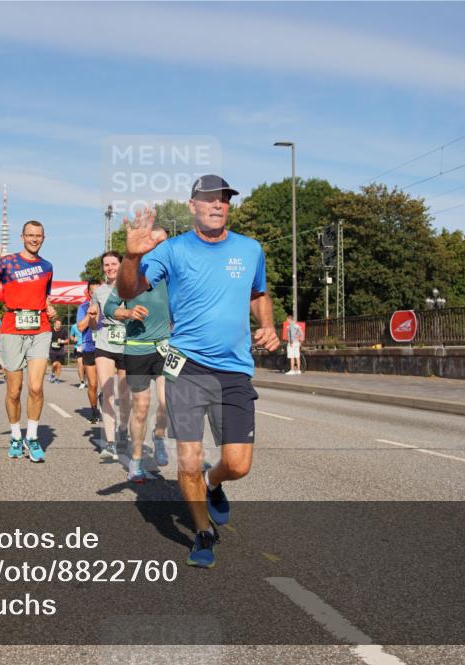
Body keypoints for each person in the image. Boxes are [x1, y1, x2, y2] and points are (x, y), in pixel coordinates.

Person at [118, 174, 280, 569]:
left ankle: (212, 483)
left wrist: (269, 324)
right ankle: (203, 532)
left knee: (239, 464)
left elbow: (259, 293)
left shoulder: (250, 249)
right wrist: (132, 257)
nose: (217, 205)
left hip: (235, 371)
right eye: (208, 199)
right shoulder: (172, 250)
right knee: (188, 461)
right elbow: (128, 291)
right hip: (187, 368)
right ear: (192, 206)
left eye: (223, 199)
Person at [0, 220, 57, 463]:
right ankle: (15, 436)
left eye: (39, 236)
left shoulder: (47, 266)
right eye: (30, 235)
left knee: (36, 388)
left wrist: (50, 309)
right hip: (12, 328)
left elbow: (44, 298)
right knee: (14, 391)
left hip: (40, 329)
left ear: (44, 238)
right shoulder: (7, 262)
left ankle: (31, 437)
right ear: (22, 237)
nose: (34, 239)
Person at [104, 225, 172, 483]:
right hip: (137, 348)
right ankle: (135, 461)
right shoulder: (129, 274)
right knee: (141, 407)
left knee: (168, 401)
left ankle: (159, 437)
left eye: (164, 242)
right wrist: (128, 312)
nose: (159, 246)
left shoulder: (170, 275)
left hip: (165, 347)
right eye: (155, 241)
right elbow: (110, 307)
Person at [92, 252, 131, 458]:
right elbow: (94, 322)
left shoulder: (131, 287)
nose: (109, 268)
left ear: (121, 265)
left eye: (113, 264)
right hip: (105, 341)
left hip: (127, 343)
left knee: (125, 394)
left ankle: (123, 429)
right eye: (106, 265)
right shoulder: (98, 292)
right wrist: (91, 318)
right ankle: (109, 442)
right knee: (107, 391)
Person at [76, 280, 101, 423]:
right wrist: (90, 312)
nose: (96, 294)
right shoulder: (83, 307)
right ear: (89, 293)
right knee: (92, 384)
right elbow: (80, 327)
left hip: (106, 347)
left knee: (108, 382)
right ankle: (94, 410)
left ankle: (105, 396)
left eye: (99, 291)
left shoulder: (108, 306)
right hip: (89, 347)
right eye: (93, 292)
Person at [48, 318, 68, 383]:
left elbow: (67, 340)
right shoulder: (50, 330)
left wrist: (62, 341)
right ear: (54, 324)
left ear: (61, 325)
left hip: (60, 350)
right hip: (52, 350)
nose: (58, 325)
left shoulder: (63, 331)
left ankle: (57, 379)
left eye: (59, 324)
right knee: (54, 364)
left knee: (59, 365)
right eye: (57, 324)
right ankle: (52, 374)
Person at [68, 323, 85, 389]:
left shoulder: (88, 325)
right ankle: (82, 382)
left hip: (87, 347)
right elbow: (71, 336)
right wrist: (73, 338)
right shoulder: (74, 326)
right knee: (80, 365)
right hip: (78, 347)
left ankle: (85, 376)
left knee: (86, 366)